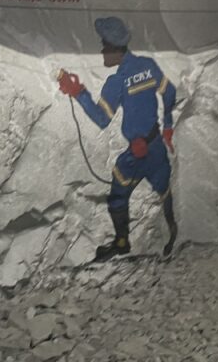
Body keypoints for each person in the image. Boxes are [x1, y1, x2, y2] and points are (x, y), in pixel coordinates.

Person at [57, 16, 178, 261]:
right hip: (154, 146)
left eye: (104, 46)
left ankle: (122, 242)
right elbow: (169, 91)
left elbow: (102, 119)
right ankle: (172, 233)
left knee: (118, 196)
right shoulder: (147, 65)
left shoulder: (117, 81)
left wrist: (78, 93)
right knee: (163, 189)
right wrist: (167, 126)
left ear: (114, 48)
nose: (102, 51)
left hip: (138, 153)